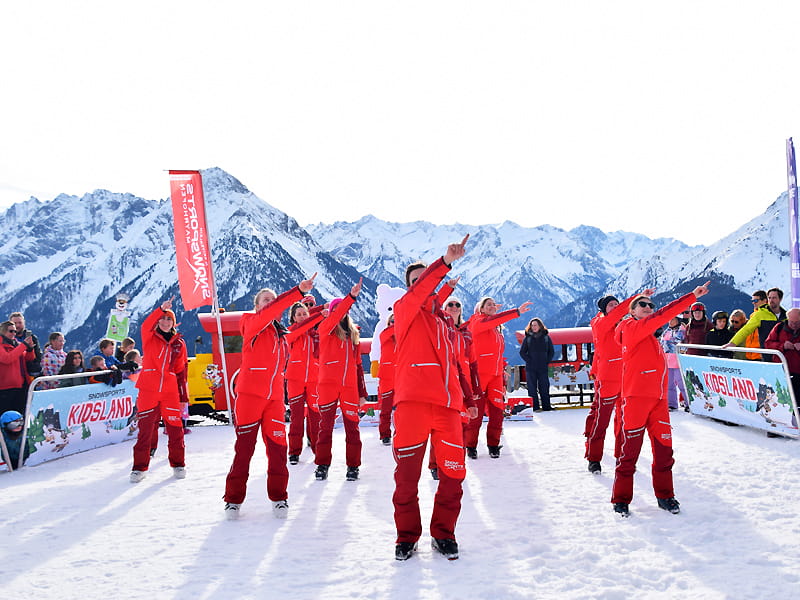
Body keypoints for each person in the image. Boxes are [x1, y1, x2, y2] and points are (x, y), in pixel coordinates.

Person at [391, 235, 480, 561]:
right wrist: (443, 263)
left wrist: (468, 398)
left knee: (454, 475)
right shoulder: (404, 311)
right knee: (406, 479)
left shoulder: (445, 323)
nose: (421, 285)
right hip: (412, 406)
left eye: (424, 279)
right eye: (416, 282)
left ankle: (444, 533)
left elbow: (458, 367)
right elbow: (420, 293)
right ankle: (406, 536)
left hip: (447, 410)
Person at [610, 281, 710, 517]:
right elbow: (664, 315)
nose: (648, 306)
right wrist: (691, 296)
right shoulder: (631, 328)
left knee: (664, 452)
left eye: (650, 305)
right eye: (642, 304)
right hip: (636, 399)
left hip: (658, 401)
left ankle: (665, 496)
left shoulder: (650, 336)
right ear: (632, 311)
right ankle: (621, 499)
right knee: (629, 453)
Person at [223, 275, 316, 520]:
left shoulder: (281, 334)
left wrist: (325, 311)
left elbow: (304, 326)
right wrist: (296, 291)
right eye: (266, 300)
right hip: (249, 397)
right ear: (256, 306)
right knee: (244, 449)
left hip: (274, 400)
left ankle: (279, 497)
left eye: (273, 301)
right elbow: (270, 312)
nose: (270, 303)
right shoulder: (250, 323)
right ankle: (233, 499)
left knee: (277, 450)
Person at [585, 291, 653, 474]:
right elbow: (617, 314)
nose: (615, 307)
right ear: (603, 310)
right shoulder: (600, 323)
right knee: (601, 421)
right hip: (608, 379)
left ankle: (621, 457)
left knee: (624, 421)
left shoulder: (625, 324)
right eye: (611, 305)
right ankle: (593, 458)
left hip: (626, 378)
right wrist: (637, 298)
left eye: (617, 304)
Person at [129, 297, 190, 484]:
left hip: (170, 392)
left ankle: (178, 464)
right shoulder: (149, 336)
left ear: (173, 323)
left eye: (169, 319)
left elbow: (181, 371)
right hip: (149, 389)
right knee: (145, 431)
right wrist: (161, 308)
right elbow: (145, 324)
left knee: (175, 430)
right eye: (162, 318)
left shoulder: (179, 344)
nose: (165, 322)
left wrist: (182, 397)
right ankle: (139, 467)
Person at [465, 296, 532, 459]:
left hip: (495, 376)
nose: (492, 306)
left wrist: (502, 369)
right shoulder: (477, 322)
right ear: (479, 309)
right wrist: (516, 312)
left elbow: (496, 352)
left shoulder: (495, 328)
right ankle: (471, 445)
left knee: (497, 411)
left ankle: (493, 445)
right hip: (479, 376)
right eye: (488, 304)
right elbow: (492, 321)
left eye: (494, 304)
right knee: (477, 414)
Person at [314, 279, 367, 482]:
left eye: (341, 309)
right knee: (325, 427)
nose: (339, 313)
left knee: (352, 428)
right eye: (336, 309)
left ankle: (353, 466)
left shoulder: (353, 336)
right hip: (327, 386)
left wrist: (362, 393)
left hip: (349, 388)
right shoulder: (325, 329)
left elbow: (358, 366)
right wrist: (351, 297)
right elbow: (334, 315)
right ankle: (322, 465)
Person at [284, 300, 325, 465]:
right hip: (295, 379)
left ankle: (317, 449)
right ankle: (294, 452)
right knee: (296, 417)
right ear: (293, 318)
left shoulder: (316, 334)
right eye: (299, 314)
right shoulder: (290, 332)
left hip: (314, 380)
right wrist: (320, 313)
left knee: (316, 417)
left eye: (304, 314)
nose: (302, 316)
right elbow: (292, 335)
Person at [763, 308, 800, 428]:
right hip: (781, 371)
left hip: (798, 371)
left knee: (797, 399)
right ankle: (777, 425)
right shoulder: (779, 328)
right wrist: (782, 345)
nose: (794, 325)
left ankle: (795, 426)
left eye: (797, 322)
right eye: (791, 322)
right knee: (779, 399)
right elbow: (768, 344)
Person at [726, 288, 788, 359]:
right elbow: (746, 329)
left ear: (780, 299)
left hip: (783, 355)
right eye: (769, 298)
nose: (771, 300)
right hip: (765, 355)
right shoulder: (759, 314)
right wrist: (733, 342)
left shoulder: (786, 316)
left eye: (774, 298)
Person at [519, 318, 555, 412]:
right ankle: (534, 407)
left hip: (543, 367)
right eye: (532, 325)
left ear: (540, 326)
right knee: (532, 388)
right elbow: (522, 352)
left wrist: (546, 361)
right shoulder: (528, 338)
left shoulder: (546, 337)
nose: (533, 327)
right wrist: (529, 361)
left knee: (544, 387)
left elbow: (551, 352)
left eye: (535, 325)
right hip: (531, 368)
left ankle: (547, 407)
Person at [0, 320, 35, 416]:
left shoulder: (16, 344)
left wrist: (30, 349)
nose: (14, 333)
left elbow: (28, 358)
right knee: (5, 415)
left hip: (21, 385)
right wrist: (23, 346)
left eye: (15, 331)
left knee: (20, 413)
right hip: (5, 387)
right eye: (11, 331)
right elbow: (7, 359)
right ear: (3, 331)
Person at [659, 315, 689, 411]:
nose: (670, 321)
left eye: (673, 319)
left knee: (682, 384)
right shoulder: (667, 331)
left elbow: (681, 343)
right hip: (667, 361)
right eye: (669, 319)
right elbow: (662, 343)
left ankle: (689, 403)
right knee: (669, 384)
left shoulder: (682, 331)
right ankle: (671, 403)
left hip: (678, 361)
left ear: (678, 320)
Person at [377, 314, 397, 446]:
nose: (394, 324)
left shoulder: (406, 337)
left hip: (402, 378)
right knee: (385, 410)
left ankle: (401, 432)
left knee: (403, 410)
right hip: (386, 378)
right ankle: (385, 434)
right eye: (392, 321)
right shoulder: (384, 335)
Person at [9, 312, 42, 377]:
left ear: (24, 323)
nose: (17, 325)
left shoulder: (32, 338)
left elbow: (38, 355)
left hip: (30, 373)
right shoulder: (7, 339)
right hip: (13, 373)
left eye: (20, 323)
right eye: (15, 323)